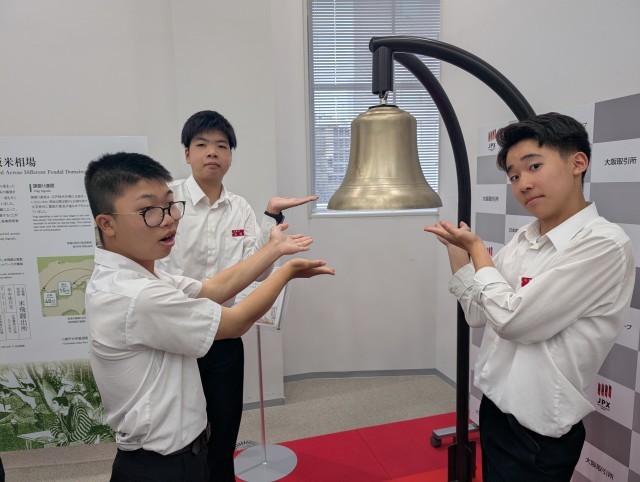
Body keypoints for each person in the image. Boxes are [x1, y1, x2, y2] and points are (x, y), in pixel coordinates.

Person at [84, 152, 334, 482]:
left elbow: (214, 287)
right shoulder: (136, 294)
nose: (168, 219)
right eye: (149, 211)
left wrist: (273, 249)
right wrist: (285, 272)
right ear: (107, 224)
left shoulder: (144, 276)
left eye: (171, 205)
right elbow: (235, 321)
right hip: (162, 464)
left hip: (182, 448)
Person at [425, 112, 635, 481]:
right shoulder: (525, 237)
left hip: (537, 433)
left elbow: (513, 322)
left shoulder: (603, 243)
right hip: (495, 409)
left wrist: (477, 252)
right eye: (514, 176)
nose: (523, 183)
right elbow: (478, 314)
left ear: (578, 163)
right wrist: (458, 253)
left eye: (534, 166)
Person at [156, 110, 318, 481]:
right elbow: (156, 264)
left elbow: (256, 271)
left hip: (225, 331)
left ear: (230, 156)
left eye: (222, 146)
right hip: (175, 335)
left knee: (225, 426)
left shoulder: (240, 207)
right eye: (202, 145)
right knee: (181, 433)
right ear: (187, 154)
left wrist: (271, 218)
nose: (212, 152)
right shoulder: (169, 202)